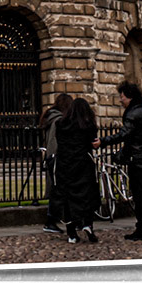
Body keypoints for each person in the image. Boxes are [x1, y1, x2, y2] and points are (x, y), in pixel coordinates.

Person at [95, 81, 142, 241]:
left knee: (139, 196)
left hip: (137, 161)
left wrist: (103, 141)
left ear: (130, 97)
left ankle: (141, 229)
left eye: (122, 97)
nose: (120, 100)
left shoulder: (132, 115)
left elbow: (124, 135)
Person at [54, 96, 100, 243]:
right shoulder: (88, 125)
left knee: (68, 198)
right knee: (86, 195)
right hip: (83, 164)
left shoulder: (60, 124)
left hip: (65, 165)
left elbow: (60, 143)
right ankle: (87, 224)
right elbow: (92, 143)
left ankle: (72, 233)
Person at [39, 93, 74, 233]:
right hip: (57, 159)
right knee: (59, 191)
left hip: (52, 158)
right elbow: (54, 141)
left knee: (57, 191)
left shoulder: (51, 117)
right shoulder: (57, 120)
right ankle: (51, 221)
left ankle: (53, 221)